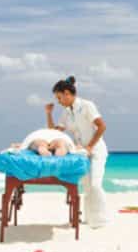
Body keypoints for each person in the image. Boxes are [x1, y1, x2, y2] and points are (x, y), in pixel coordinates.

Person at [46, 76, 110, 229]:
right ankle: (89, 220)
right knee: (87, 187)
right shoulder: (66, 113)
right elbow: (55, 132)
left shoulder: (87, 105)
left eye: (59, 97)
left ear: (67, 93)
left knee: (95, 184)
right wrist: (48, 113)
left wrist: (89, 147)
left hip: (96, 150)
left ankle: (101, 221)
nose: (59, 101)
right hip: (81, 154)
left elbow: (102, 126)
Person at [8, 128, 76, 157]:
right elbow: (74, 148)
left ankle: (44, 152)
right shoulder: (61, 135)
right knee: (61, 145)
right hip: (60, 137)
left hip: (37, 136)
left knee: (40, 144)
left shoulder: (38, 134)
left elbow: (23, 146)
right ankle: (57, 159)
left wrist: (18, 146)